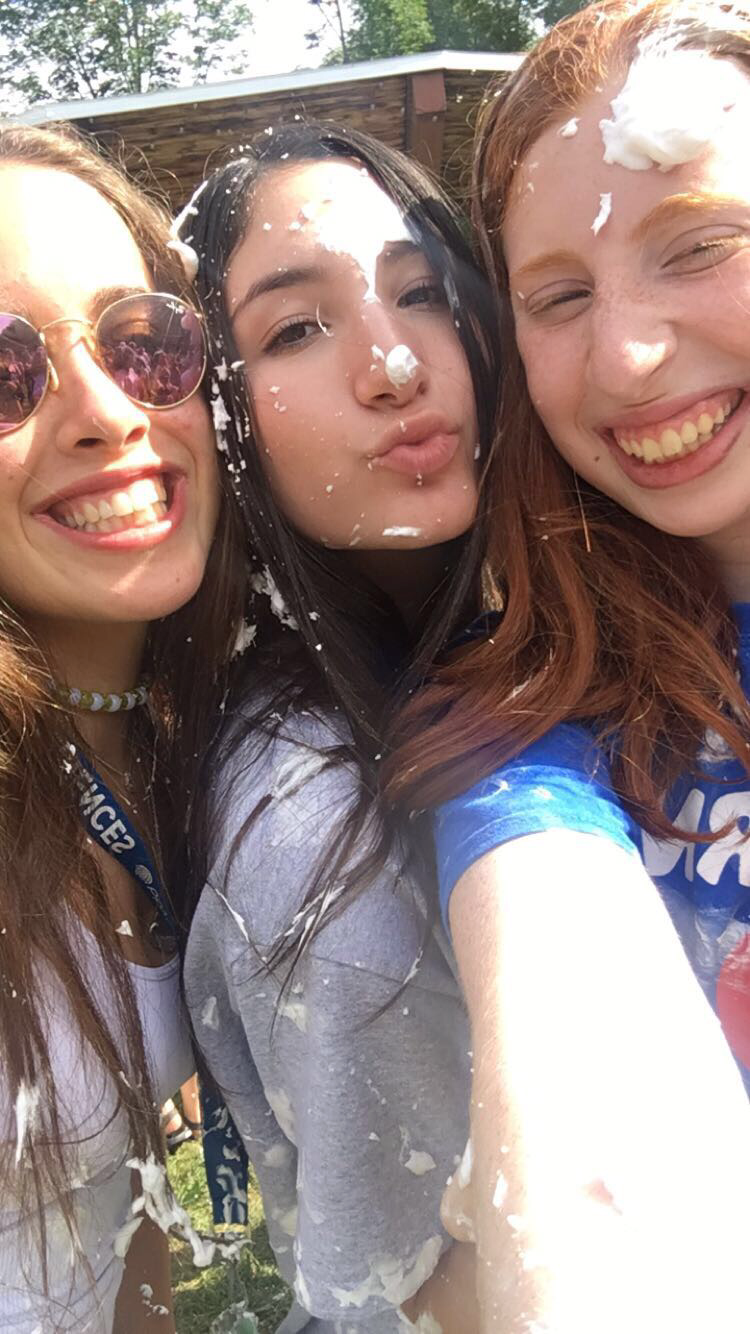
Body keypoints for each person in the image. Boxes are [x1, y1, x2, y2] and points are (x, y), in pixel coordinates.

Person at [386, 2, 750, 1330]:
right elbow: (586, 1120)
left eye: (698, 245)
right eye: (558, 297)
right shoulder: (537, 726)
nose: (629, 356)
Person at [182, 123, 499, 1331]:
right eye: (297, 329)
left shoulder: (551, 629)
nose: (394, 364)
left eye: (420, 292)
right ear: (222, 413)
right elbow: (429, 1298)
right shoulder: (315, 843)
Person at [0, 122, 241, 1332]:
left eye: (141, 342)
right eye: (4, 374)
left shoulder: (185, 739)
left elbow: (127, 1218)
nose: (105, 410)